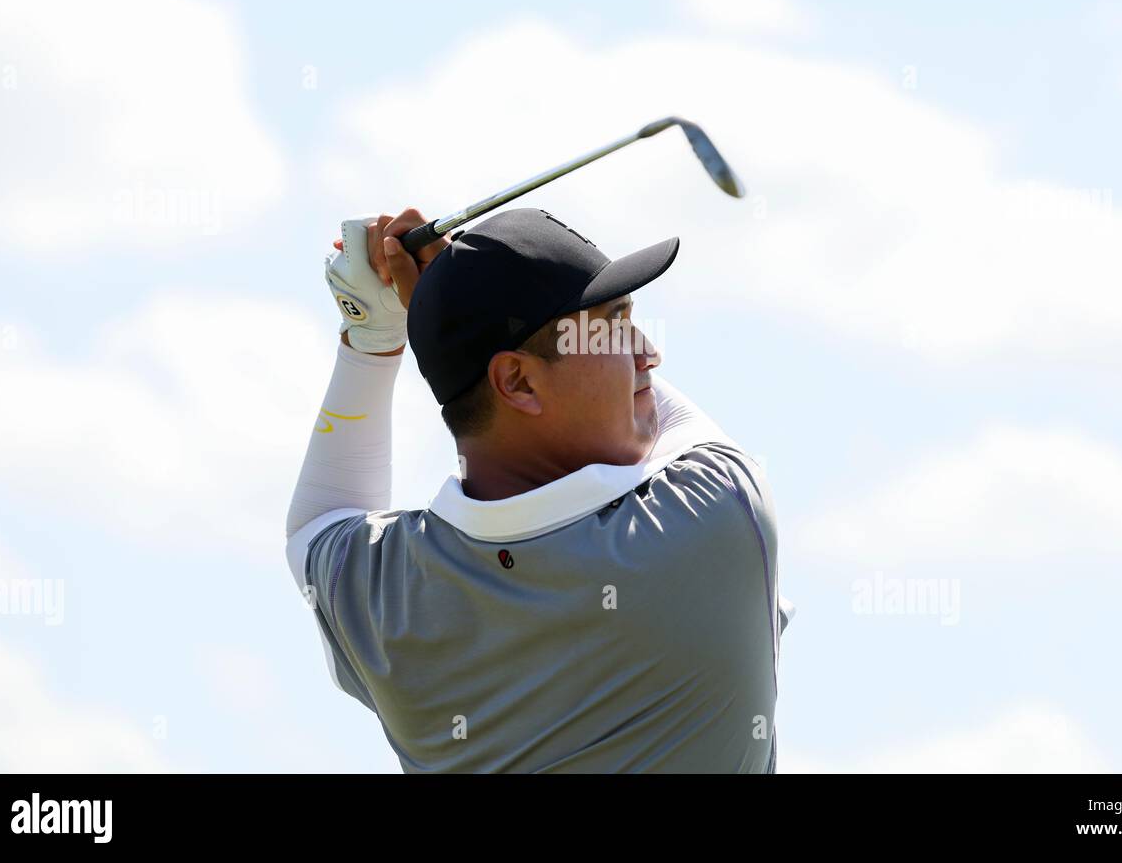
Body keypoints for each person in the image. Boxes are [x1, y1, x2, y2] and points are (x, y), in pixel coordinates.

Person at [285, 206, 794, 772]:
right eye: (614, 326)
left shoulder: (382, 592)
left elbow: (320, 521)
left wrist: (375, 337)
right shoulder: (712, 513)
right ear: (518, 381)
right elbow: (657, 417)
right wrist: (444, 294)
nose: (648, 351)